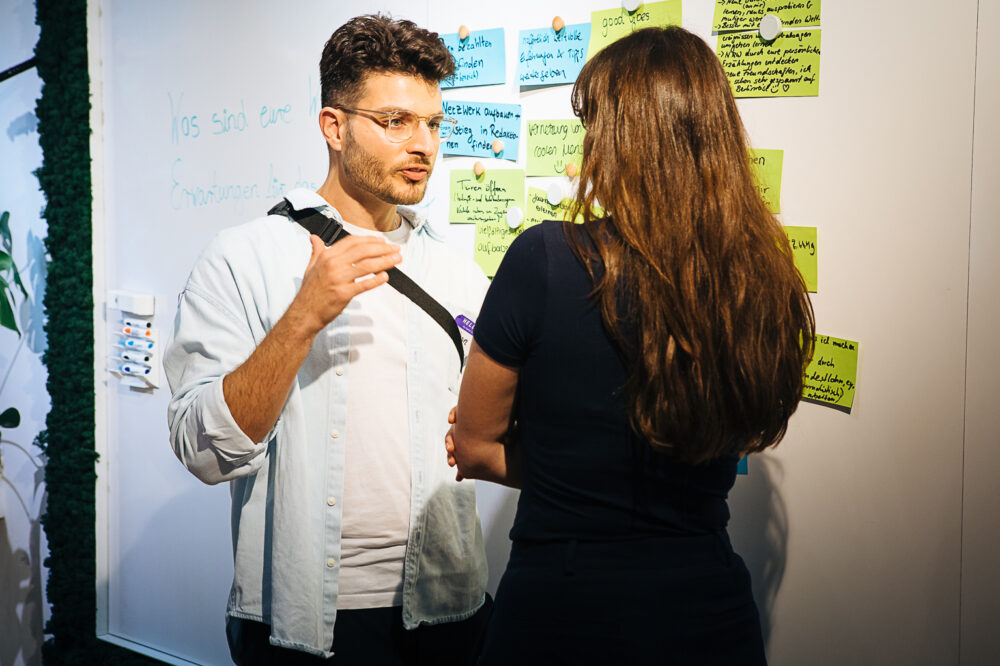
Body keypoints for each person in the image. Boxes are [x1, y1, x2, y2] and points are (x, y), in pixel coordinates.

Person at [445, 26, 815, 666]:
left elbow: (475, 449)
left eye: (596, 125)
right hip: (710, 609)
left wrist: (568, 469)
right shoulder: (763, 275)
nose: (589, 144)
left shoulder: (545, 259)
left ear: (625, 138)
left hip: (564, 610)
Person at [164, 14, 492, 665]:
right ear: (334, 127)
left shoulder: (457, 271)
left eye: (432, 123)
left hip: (450, 608)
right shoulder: (244, 258)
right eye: (395, 121)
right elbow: (201, 451)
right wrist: (303, 315)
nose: (423, 143)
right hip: (304, 624)